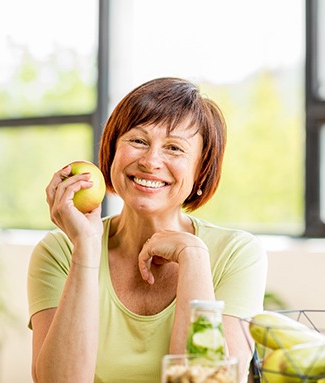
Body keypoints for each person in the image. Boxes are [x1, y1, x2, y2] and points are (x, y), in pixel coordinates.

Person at [27, 77, 268, 383]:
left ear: (201, 169)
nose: (151, 161)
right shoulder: (59, 252)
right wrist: (86, 250)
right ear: (112, 150)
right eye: (138, 141)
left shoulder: (237, 254)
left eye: (174, 148)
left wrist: (193, 257)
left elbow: (206, 381)